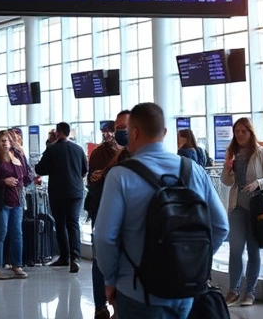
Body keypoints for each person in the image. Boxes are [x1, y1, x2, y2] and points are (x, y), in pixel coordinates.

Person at [94, 103, 228, 318]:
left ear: (134, 132)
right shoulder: (192, 169)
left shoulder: (120, 176)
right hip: (185, 289)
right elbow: (221, 226)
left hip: (137, 290)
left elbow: (104, 237)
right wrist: (189, 262)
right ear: (164, 133)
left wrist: (111, 280)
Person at [220, 116, 263, 307]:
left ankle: (250, 291)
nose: (239, 135)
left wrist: (258, 183)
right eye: (237, 132)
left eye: (243, 131)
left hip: (255, 207)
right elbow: (227, 182)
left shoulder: (261, 153)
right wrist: (227, 168)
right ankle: (233, 290)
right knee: (235, 249)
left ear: (250, 132)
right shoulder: (233, 153)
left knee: (253, 249)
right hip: (237, 206)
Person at [35, 122, 89, 273]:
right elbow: (85, 171)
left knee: (60, 224)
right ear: (69, 132)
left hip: (58, 191)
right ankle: (76, 257)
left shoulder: (52, 149)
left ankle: (64, 257)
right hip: (76, 191)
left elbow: (40, 168)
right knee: (73, 223)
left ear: (58, 132)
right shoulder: (78, 149)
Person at [0, 130, 32, 280]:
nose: (5, 143)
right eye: (2, 141)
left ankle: (17, 265)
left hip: (16, 202)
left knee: (17, 233)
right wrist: (3, 182)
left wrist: (25, 181)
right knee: (0, 234)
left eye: (7, 140)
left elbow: (27, 175)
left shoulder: (18, 158)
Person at [87, 120, 121, 319]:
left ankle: (119, 304)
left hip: (122, 212)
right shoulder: (100, 153)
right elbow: (95, 182)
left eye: (110, 131)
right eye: (104, 131)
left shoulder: (133, 152)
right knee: (99, 258)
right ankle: (100, 304)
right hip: (101, 210)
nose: (107, 134)